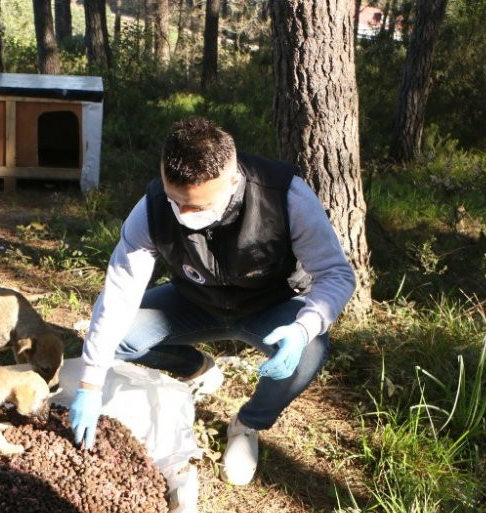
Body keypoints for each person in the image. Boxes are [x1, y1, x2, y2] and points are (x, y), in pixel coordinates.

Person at [68, 117, 356, 485]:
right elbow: (119, 294)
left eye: (199, 207)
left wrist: (304, 328)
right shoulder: (152, 209)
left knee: (309, 353)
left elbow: (336, 273)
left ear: (233, 179)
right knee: (117, 337)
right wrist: (90, 385)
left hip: (271, 307)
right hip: (194, 302)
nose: (187, 218)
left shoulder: (285, 196)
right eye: (177, 203)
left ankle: (248, 423)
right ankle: (196, 367)